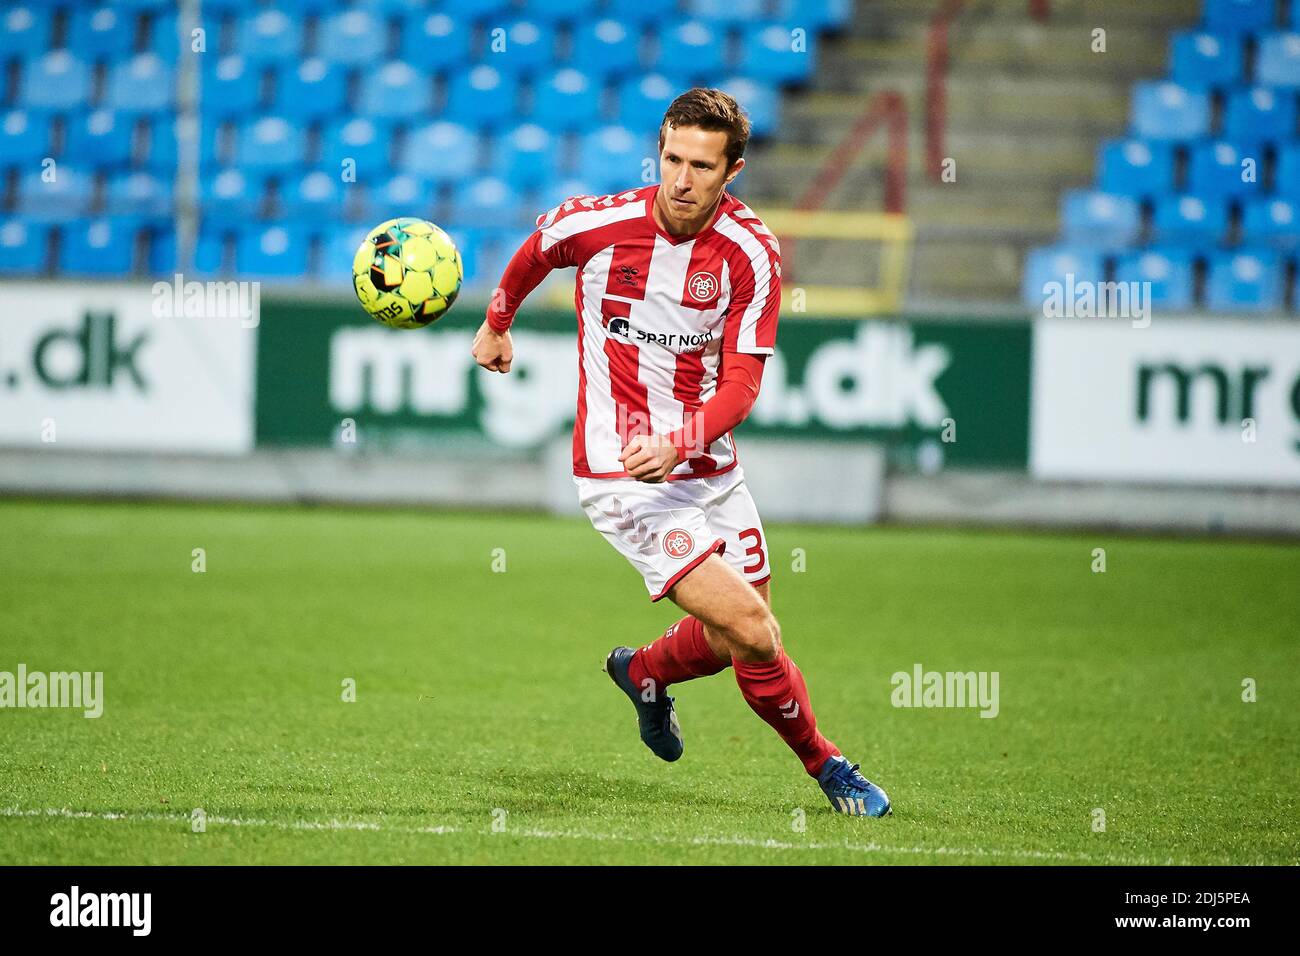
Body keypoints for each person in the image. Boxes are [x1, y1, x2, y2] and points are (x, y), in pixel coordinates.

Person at [471, 87, 890, 817]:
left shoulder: (751, 252)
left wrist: (685, 440)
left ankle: (643, 673)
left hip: (708, 467)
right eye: (673, 158)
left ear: (733, 171)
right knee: (757, 632)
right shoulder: (598, 223)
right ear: (658, 150)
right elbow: (536, 251)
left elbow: (744, 380)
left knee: (735, 641)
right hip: (621, 474)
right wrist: (496, 322)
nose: (682, 179)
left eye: (702, 165)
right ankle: (831, 768)